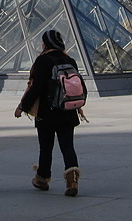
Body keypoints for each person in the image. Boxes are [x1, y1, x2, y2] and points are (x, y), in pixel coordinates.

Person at [14, 30, 82, 197]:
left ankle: (42, 178)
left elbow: (35, 88)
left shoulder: (42, 61)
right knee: (67, 146)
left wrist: (22, 107)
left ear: (46, 44)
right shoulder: (69, 60)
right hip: (68, 111)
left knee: (46, 147)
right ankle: (72, 178)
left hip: (47, 112)